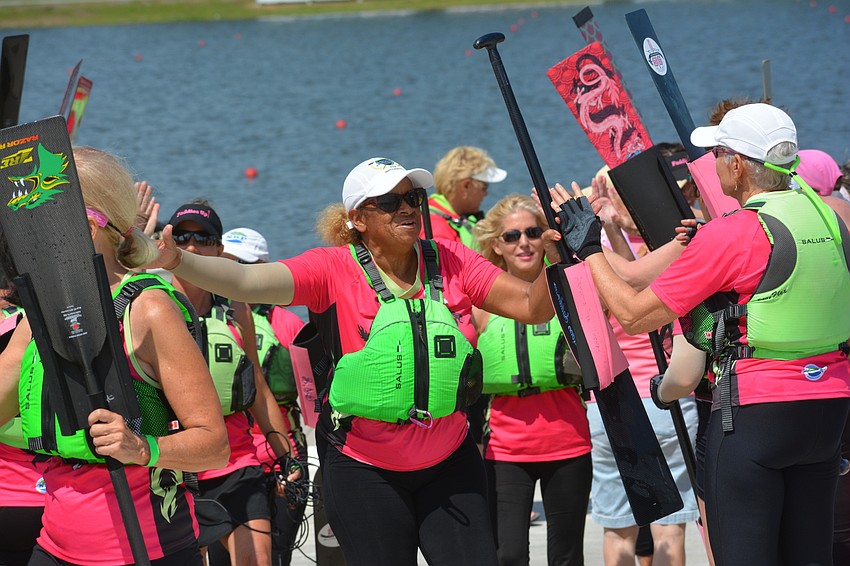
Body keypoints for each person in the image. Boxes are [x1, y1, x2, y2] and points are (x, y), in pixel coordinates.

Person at [148, 156, 565, 566]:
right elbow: (245, 280)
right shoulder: (331, 270)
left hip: (450, 460)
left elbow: (532, 306)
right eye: (387, 202)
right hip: (364, 468)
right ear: (357, 219)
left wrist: (557, 255)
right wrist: (178, 260)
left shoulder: (452, 258)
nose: (406, 208)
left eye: (413, 197)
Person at [556, 103, 850, 565]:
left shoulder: (733, 233)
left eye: (716, 153)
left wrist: (590, 246)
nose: (710, 165)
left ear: (736, 164)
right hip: (829, 409)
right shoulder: (831, 217)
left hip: (757, 417)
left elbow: (634, 315)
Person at [0, 146, 230, 565]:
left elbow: (214, 445)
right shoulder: (43, 314)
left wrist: (142, 448)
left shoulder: (148, 309)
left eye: (36, 218)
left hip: (148, 549)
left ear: (89, 224)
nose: (27, 235)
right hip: (54, 547)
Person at [167, 203, 298, 566]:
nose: (192, 247)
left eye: (203, 238)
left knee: (257, 560)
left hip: (235, 461)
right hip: (173, 465)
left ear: (219, 250)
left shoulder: (235, 309)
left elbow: (256, 382)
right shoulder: (151, 303)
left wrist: (287, 456)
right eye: (182, 237)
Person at [472, 194, 592, 566]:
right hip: (505, 451)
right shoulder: (480, 305)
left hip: (569, 444)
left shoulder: (572, 290)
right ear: (497, 245)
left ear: (545, 237)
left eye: (532, 232)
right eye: (511, 236)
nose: (523, 243)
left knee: (566, 557)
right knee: (506, 555)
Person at [221, 227, 308, 566]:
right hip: (235, 458)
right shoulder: (209, 322)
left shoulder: (288, 325)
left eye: (241, 265)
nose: (231, 273)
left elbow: (315, 398)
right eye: (225, 263)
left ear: (262, 268)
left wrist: (295, 461)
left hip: (281, 453)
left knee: (277, 555)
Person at [424, 146, 507, 249]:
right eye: (484, 186)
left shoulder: (447, 214)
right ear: (466, 186)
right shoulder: (435, 227)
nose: (486, 193)